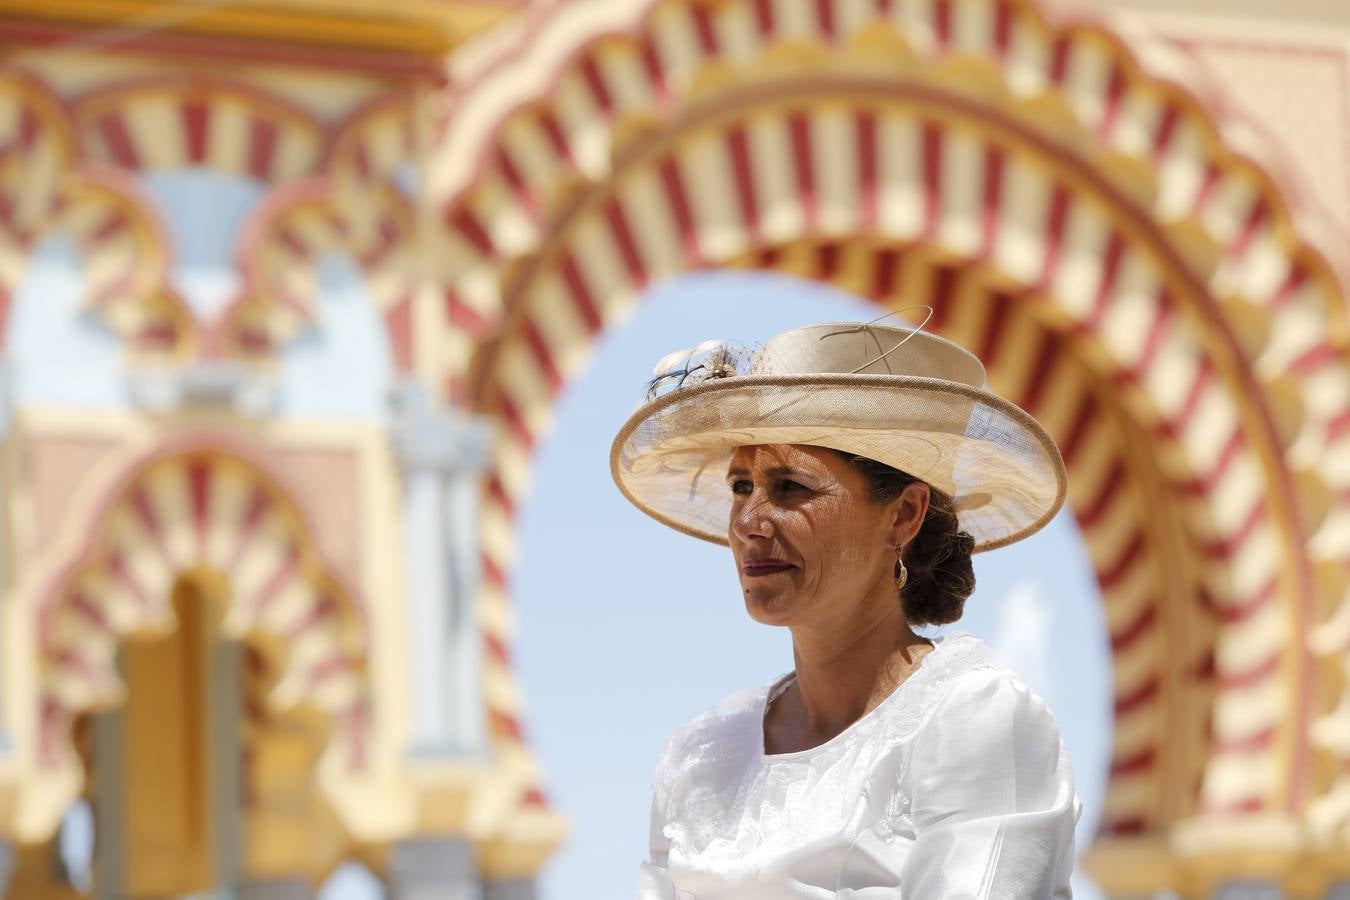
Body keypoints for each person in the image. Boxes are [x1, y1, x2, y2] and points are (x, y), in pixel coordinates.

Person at [610, 319, 1081, 898]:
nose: (750, 524)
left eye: (790, 487)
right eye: (740, 487)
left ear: (904, 514)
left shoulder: (975, 724)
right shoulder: (701, 760)